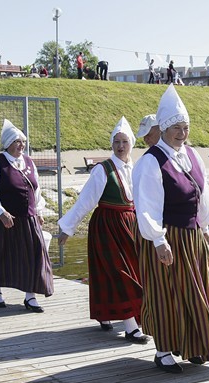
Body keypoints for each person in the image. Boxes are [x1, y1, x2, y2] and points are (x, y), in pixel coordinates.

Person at [133, 84, 209, 373]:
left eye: (185, 127)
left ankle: (195, 346)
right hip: (167, 236)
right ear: (162, 128)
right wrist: (158, 241)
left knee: (199, 291)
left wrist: (204, 224)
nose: (181, 132)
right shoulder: (151, 161)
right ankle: (163, 351)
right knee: (167, 294)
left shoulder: (192, 156)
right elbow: (146, 204)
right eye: (175, 127)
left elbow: (204, 192)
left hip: (192, 236)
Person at [58, 117, 148, 344]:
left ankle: (109, 314)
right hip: (107, 226)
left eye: (124, 142)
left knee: (133, 272)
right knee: (119, 273)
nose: (120, 146)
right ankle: (130, 327)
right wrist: (68, 227)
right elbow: (85, 201)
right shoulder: (103, 170)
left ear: (131, 144)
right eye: (116, 142)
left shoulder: (135, 169)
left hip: (131, 227)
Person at [0, 119, 53, 311]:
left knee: (35, 254)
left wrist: (38, 211)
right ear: (7, 143)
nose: (21, 145)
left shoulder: (28, 162)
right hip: (4, 220)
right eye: (16, 141)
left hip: (28, 217)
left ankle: (30, 296)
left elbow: (35, 190)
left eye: (23, 141)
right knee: (2, 254)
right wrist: (0, 211)